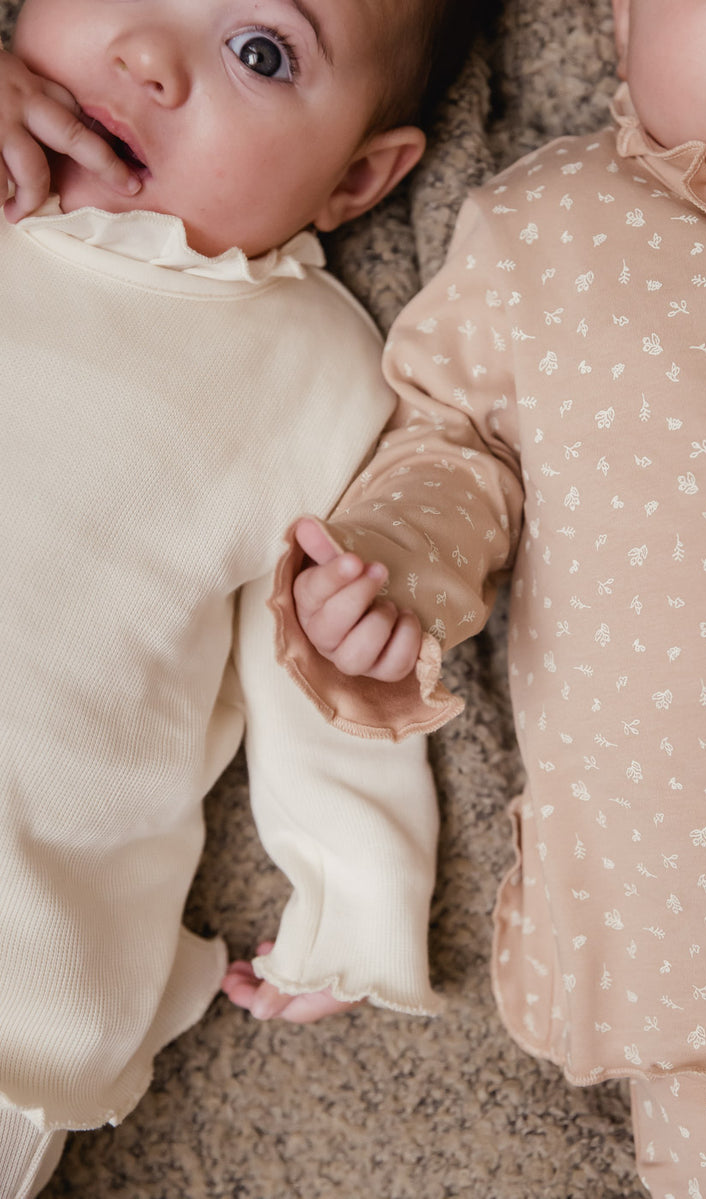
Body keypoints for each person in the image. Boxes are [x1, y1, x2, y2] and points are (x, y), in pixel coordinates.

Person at [273, 1, 706, 1194]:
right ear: (618, 26)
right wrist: (390, 571)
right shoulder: (548, 230)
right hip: (693, 971)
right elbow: (453, 449)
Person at [0, 0, 483, 1193]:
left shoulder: (313, 368)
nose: (143, 58)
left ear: (357, 179)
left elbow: (320, 654)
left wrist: (354, 904)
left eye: (260, 50)